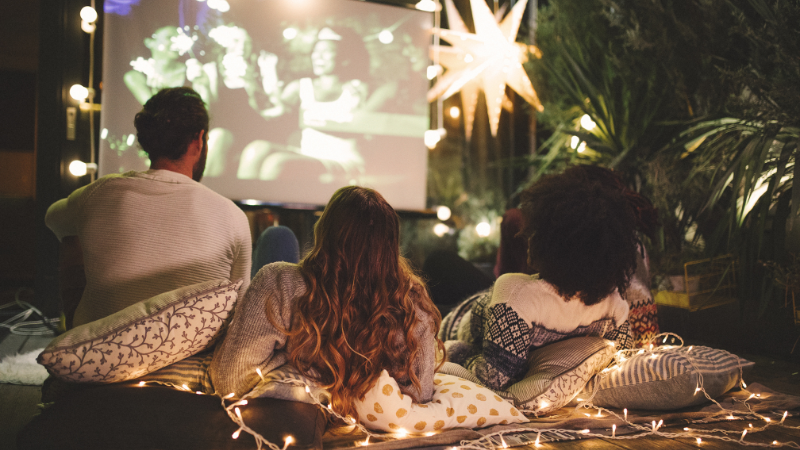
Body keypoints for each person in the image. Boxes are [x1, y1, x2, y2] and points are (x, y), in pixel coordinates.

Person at [209, 186, 443, 419]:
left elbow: (230, 380)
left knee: (278, 237)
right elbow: (420, 395)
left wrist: (291, 362)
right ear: (391, 247)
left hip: (291, 302)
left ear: (323, 231)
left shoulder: (279, 282)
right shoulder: (411, 301)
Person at [45, 87, 251, 327]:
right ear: (198, 140)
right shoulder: (232, 215)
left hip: (100, 352)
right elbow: (240, 312)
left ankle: (74, 331)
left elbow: (52, 219)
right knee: (277, 241)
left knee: (73, 237)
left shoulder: (98, 194)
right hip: (193, 356)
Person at [441, 166, 637, 391]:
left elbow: (492, 379)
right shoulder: (615, 305)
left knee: (440, 262)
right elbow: (624, 362)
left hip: (454, 322)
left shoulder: (517, 293)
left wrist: (455, 353)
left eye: (534, 229)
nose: (525, 235)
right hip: (486, 302)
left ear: (554, 242)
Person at [237, 26, 396, 184]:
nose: (318, 57)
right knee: (256, 149)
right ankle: (240, 208)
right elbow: (273, 112)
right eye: (315, 51)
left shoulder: (359, 88)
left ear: (345, 57)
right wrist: (252, 85)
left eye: (326, 51)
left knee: (276, 163)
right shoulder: (301, 86)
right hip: (305, 153)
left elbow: (390, 90)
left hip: (342, 159)